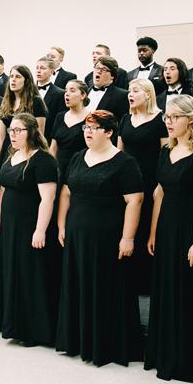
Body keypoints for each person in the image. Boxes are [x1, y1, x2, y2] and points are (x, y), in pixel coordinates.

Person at [56, 110, 144, 366]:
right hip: (76, 232)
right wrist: (62, 225)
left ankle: (104, 345)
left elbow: (134, 201)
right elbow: (66, 193)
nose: (87, 132)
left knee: (104, 286)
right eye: (85, 127)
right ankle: (77, 340)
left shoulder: (125, 162)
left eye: (94, 128)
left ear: (109, 132)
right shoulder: (76, 157)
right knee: (77, 283)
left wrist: (128, 238)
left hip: (107, 236)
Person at [144, 95, 193, 383]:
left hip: (191, 228)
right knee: (166, 288)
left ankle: (190, 361)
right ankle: (165, 353)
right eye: (167, 117)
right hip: (166, 228)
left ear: (191, 119)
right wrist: (153, 232)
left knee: (191, 291)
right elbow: (158, 193)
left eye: (175, 117)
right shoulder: (166, 151)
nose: (169, 122)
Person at [0, 113, 59, 346]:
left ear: (31, 131)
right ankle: (14, 325)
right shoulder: (11, 156)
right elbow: (3, 190)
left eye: (18, 131)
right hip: (11, 226)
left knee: (30, 274)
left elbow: (48, 198)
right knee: (12, 272)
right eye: (11, 131)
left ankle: (34, 330)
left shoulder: (43, 160)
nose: (12, 135)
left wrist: (40, 230)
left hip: (31, 226)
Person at [117, 77, 168, 296]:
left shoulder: (160, 119)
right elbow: (119, 152)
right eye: (129, 90)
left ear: (147, 94)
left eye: (135, 90)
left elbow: (165, 152)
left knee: (147, 225)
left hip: (150, 180)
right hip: (127, 181)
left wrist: (161, 183)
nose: (130, 94)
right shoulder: (125, 118)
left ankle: (146, 282)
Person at [0, 65, 47, 164]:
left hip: (27, 153)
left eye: (18, 77)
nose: (13, 80)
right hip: (7, 153)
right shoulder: (5, 103)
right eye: (11, 76)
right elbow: (1, 137)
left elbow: (39, 135)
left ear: (26, 81)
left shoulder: (36, 102)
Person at [50, 79, 91, 179]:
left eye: (72, 91)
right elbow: (53, 148)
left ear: (83, 95)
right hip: (59, 170)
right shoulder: (60, 117)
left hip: (80, 170)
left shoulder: (91, 118)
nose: (67, 94)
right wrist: (51, 168)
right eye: (65, 91)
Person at [158, 58, 193, 127]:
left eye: (172, 69)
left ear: (181, 71)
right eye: (165, 69)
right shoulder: (158, 99)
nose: (167, 72)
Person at [86, 56, 130, 122]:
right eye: (97, 67)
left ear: (112, 76)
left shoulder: (122, 95)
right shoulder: (84, 92)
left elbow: (121, 122)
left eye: (103, 69)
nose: (98, 71)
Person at [36, 57, 66, 141]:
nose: (38, 71)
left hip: (47, 138)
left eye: (42, 68)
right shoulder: (28, 91)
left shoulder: (60, 94)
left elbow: (59, 122)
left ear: (52, 72)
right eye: (37, 68)